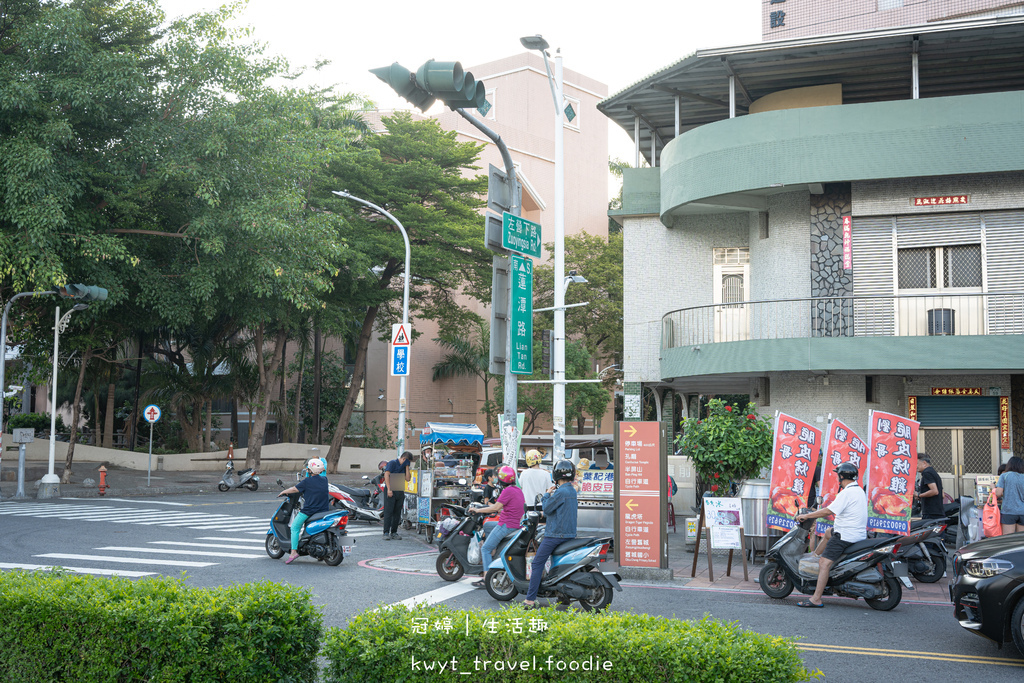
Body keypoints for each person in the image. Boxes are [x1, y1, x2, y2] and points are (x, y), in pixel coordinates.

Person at [793, 462, 867, 608]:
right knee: (828, 532)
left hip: (845, 536)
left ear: (841, 476)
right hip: (856, 533)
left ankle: (816, 599)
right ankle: (814, 555)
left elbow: (828, 511)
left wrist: (808, 516)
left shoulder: (846, 493)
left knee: (824, 563)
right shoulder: (858, 490)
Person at [523, 460, 578, 609]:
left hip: (556, 535)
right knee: (559, 564)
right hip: (569, 534)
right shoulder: (572, 490)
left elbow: (546, 509)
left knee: (537, 563)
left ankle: (530, 599)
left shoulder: (560, 492)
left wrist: (547, 494)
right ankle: (563, 597)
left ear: (556, 475)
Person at [471, 465, 526, 587]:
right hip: (515, 523)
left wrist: (477, 510)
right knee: (488, 525)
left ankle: (486, 578)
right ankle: (494, 548)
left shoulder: (507, 491)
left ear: (501, 480)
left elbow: (495, 507)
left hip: (507, 525)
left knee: (485, 549)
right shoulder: (517, 489)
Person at [277, 458, 331, 564]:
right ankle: (319, 554)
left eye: (308, 468)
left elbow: (294, 489)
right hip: (324, 510)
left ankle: (293, 552)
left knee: (295, 527)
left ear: (310, 469)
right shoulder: (325, 480)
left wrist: (283, 491)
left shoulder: (306, 481)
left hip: (310, 510)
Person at [382, 450, 416, 541]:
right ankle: (386, 532)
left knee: (397, 512)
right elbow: (386, 475)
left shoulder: (405, 467)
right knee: (389, 511)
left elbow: (408, 479)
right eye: (408, 461)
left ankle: (394, 531)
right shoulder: (393, 463)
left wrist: (407, 467)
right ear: (404, 459)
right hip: (391, 486)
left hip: (399, 487)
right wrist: (389, 489)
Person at [993, 456, 1024, 535]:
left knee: (1008, 540)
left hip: (1008, 512)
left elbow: (998, 493)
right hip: (1022, 512)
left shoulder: (1004, 476)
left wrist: (993, 488)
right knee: (1020, 540)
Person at [914, 453, 944, 520]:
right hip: (938, 512)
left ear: (924, 463)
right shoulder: (934, 473)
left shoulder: (927, 473)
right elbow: (942, 495)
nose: (916, 466)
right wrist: (922, 497)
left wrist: (919, 495)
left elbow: (934, 491)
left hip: (931, 513)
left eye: (917, 463)